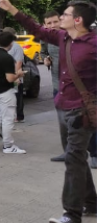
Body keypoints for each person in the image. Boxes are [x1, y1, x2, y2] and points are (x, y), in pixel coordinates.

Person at [0, 0, 97, 223]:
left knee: (73, 158)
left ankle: (72, 216)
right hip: (63, 105)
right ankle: (92, 203)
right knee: (77, 157)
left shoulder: (94, 44)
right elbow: (36, 29)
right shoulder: (62, 37)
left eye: (64, 14)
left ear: (78, 20)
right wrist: (11, 8)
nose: (60, 18)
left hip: (83, 111)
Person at [42, 11, 67, 162]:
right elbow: (43, 52)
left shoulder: (71, 36)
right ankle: (67, 152)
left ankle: (95, 153)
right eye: (49, 23)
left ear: (61, 21)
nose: (52, 25)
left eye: (55, 22)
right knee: (63, 122)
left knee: (86, 120)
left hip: (76, 87)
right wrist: (46, 59)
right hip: (58, 86)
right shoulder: (46, 38)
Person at [2, 26, 26, 122]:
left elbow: (18, 63)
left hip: (15, 75)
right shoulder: (4, 47)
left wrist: (15, 76)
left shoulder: (16, 47)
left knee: (17, 96)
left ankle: (18, 116)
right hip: (6, 75)